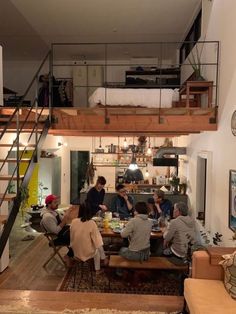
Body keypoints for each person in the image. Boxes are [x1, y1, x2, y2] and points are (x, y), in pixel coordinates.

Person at [70, 201, 108, 273]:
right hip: (86, 252)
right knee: (97, 248)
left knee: (94, 244)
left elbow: (72, 236)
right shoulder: (91, 223)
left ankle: (101, 261)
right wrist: (103, 257)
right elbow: (98, 242)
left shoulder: (74, 221)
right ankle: (98, 269)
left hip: (75, 251)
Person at [40, 194, 74, 265]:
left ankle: (74, 255)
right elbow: (56, 231)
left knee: (79, 231)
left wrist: (68, 214)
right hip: (57, 237)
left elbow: (64, 221)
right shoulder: (47, 217)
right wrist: (65, 219)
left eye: (57, 202)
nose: (57, 204)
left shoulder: (54, 211)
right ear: (49, 204)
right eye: (55, 202)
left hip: (63, 233)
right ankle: (68, 256)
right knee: (79, 237)